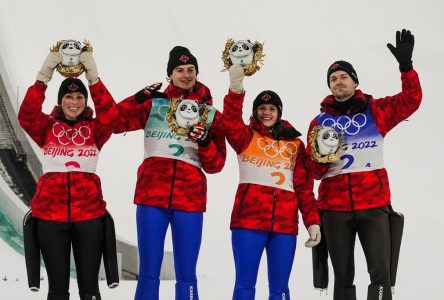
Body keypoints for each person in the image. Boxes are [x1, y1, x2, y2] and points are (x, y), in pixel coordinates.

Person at [306, 29, 422, 300]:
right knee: (342, 277)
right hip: (334, 210)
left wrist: (406, 68)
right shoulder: (319, 123)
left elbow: (410, 101)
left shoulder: (376, 111)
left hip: (374, 207)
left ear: (355, 82)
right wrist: (324, 158)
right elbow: (313, 171)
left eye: (343, 77)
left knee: (380, 274)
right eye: (333, 79)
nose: (338, 82)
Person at [113, 46, 226, 300]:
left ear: (197, 72)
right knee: (149, 272)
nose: (185, 75)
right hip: (151, 198)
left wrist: (205, 142)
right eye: (179, 70)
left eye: (190, 70)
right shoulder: (154, 105)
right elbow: (114, 123)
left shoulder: (209, 115)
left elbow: (216, 165)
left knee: (186, 273)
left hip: (190, 201)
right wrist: (137, 98)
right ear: (170, 75)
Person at [18, 50, 119, 300]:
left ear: (85, 101)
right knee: (58, 290)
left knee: (89, 290)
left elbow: (111, 116)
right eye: (68, 97)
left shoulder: (95, 130)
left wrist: (93, 78)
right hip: (50, 217)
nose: (74, 102)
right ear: (60, 100)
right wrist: (45, 75)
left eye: (79, 97)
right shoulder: (46, 128)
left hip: (89, 217)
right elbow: (26, 114)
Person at [223, 65, 321, 300]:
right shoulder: (245, 136)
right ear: (255, 112)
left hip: (285, 227)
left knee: (280, 289)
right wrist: (236, 88)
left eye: (271, 108)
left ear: (279, 112)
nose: (266, 113)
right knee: (245, 286)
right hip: (248, 223)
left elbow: (303, 188)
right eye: (262, 108)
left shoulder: (295, 145)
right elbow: (230, 121)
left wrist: (312, 222)